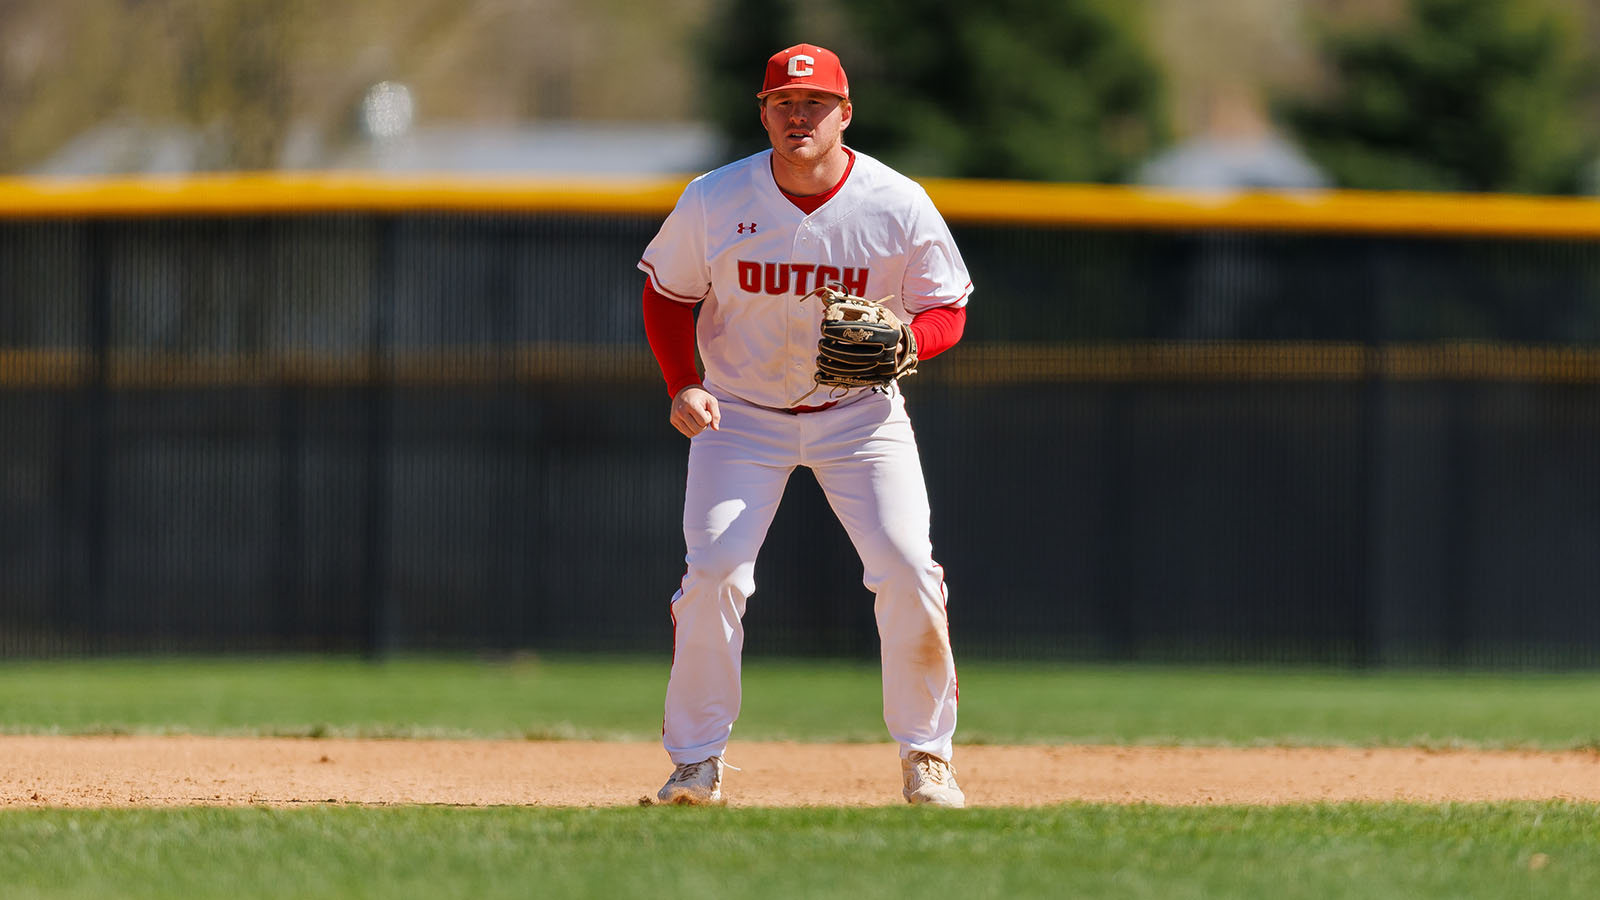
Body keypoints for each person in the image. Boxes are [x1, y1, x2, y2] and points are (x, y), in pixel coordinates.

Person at [637, 42, 972, 807]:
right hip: (740, 413)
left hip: (859, 414)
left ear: (844, 114)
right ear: (763, 113)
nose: (799, 116)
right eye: (784, 104)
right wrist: (682, 382)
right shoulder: (716, 198)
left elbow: (947, 305)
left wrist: (913, 341)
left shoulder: (896, 201)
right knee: (715, 573)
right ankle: (695, 761)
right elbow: (667, 293)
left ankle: (928, 754)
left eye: (815, 104)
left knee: (907, 566)